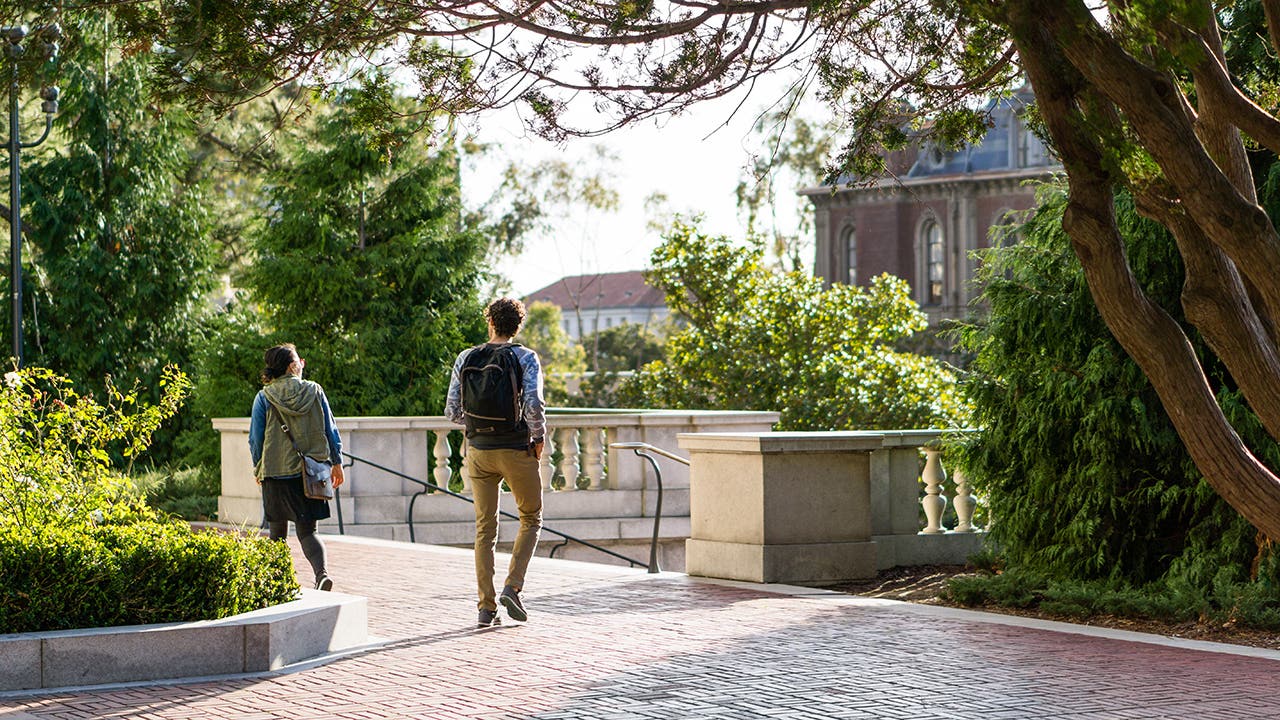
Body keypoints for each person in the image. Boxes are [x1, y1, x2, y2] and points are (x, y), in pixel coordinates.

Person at [445, 298, 547, 628]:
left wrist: (480, 424)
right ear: (517, 326)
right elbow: (533, 404)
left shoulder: (466, 357)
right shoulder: (525, 357)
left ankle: (486, 608)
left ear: (490, 321)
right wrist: (538, 436)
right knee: (531, 517)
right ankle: (512, 587)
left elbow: (452, 412)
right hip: (516, 448)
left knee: (484, 530)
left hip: (478, 450)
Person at [249, 343, 346, 591]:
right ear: (293, 366)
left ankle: (275, 583)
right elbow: (330, 429)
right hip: (310, 473)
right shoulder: (315, 391)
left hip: (275, 472)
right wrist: (337, 462)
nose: (302, 365)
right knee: (308, 532)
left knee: (277, 532)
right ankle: (321, 574)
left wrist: (258, 467)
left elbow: (256, 439)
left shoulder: (264, 397)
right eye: (299, 362)